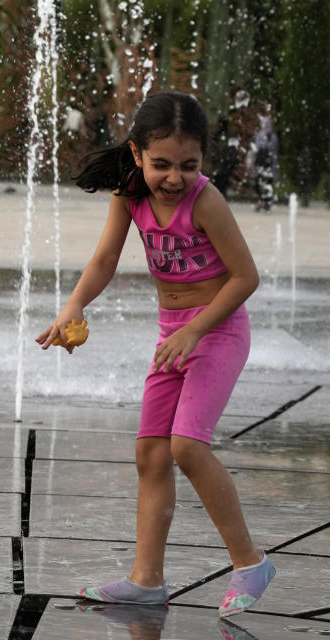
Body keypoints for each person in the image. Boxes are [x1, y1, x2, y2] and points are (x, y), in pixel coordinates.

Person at [36, 93, 274, 618]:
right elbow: (104, 259)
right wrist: (72, 306)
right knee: (149, 452)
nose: (174, 177)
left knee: (187, 446)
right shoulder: (129, 195)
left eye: (189, 165)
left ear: (203, 160)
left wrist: (196, 331)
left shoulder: (206, 202)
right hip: (174, 335)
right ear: (137, 154)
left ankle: (250, 560)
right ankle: (147, 579)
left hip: (218, 330)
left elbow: (245, 277)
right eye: (161, 164)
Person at [249, 115, 278, 212]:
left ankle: (263, 201)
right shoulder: (273, 136)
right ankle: (265, 202)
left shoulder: (261, 135)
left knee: (259, 182)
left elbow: (256, 150)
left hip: (263, 164)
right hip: (268, 164)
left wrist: (253, 161)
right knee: (267, 183)